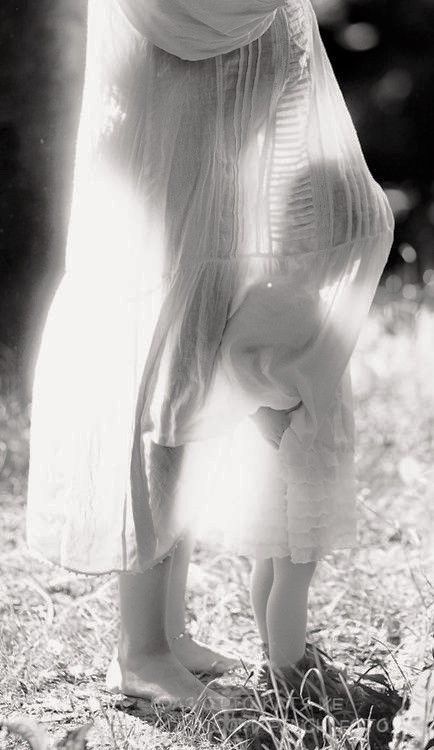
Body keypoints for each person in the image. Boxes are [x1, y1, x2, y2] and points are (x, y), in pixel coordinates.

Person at [26, 0, 394, 707]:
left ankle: (164, 630)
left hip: (210, 77)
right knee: (168, 372)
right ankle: (144, 650)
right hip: (180, 78)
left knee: (191, 363)